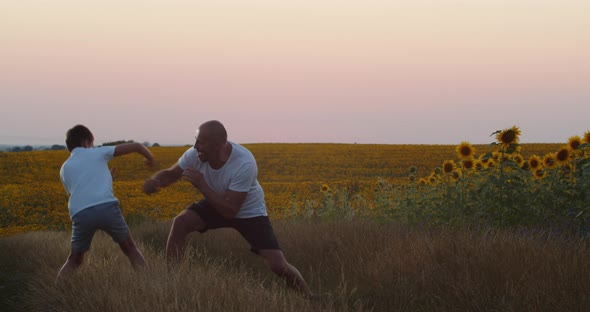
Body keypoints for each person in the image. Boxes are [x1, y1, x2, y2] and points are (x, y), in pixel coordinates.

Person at [142, 120, 313, 296]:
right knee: (181, 222)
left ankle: (309, 297)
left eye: (201, 142)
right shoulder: (195, 154)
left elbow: (230, 211)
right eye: (196, 140)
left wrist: (202, 184)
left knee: (278, 265)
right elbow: (172, 174)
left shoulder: (244, 163)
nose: (196, 146)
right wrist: (156, 181)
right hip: (215, 200)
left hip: (247, 210)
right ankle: (171, 283)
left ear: (218, 145)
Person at [57, 124, 156, 281]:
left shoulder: (64, 168)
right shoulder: (97, 152)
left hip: (80, 213)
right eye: (92, 143)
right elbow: (137, 146)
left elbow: (78, 191)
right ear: (85, 142)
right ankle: (150, 282)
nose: (93, 146)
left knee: (74, 259)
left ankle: (58, 287)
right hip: (106, 209)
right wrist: (150, 158)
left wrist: (105, 178)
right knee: (129, 248)